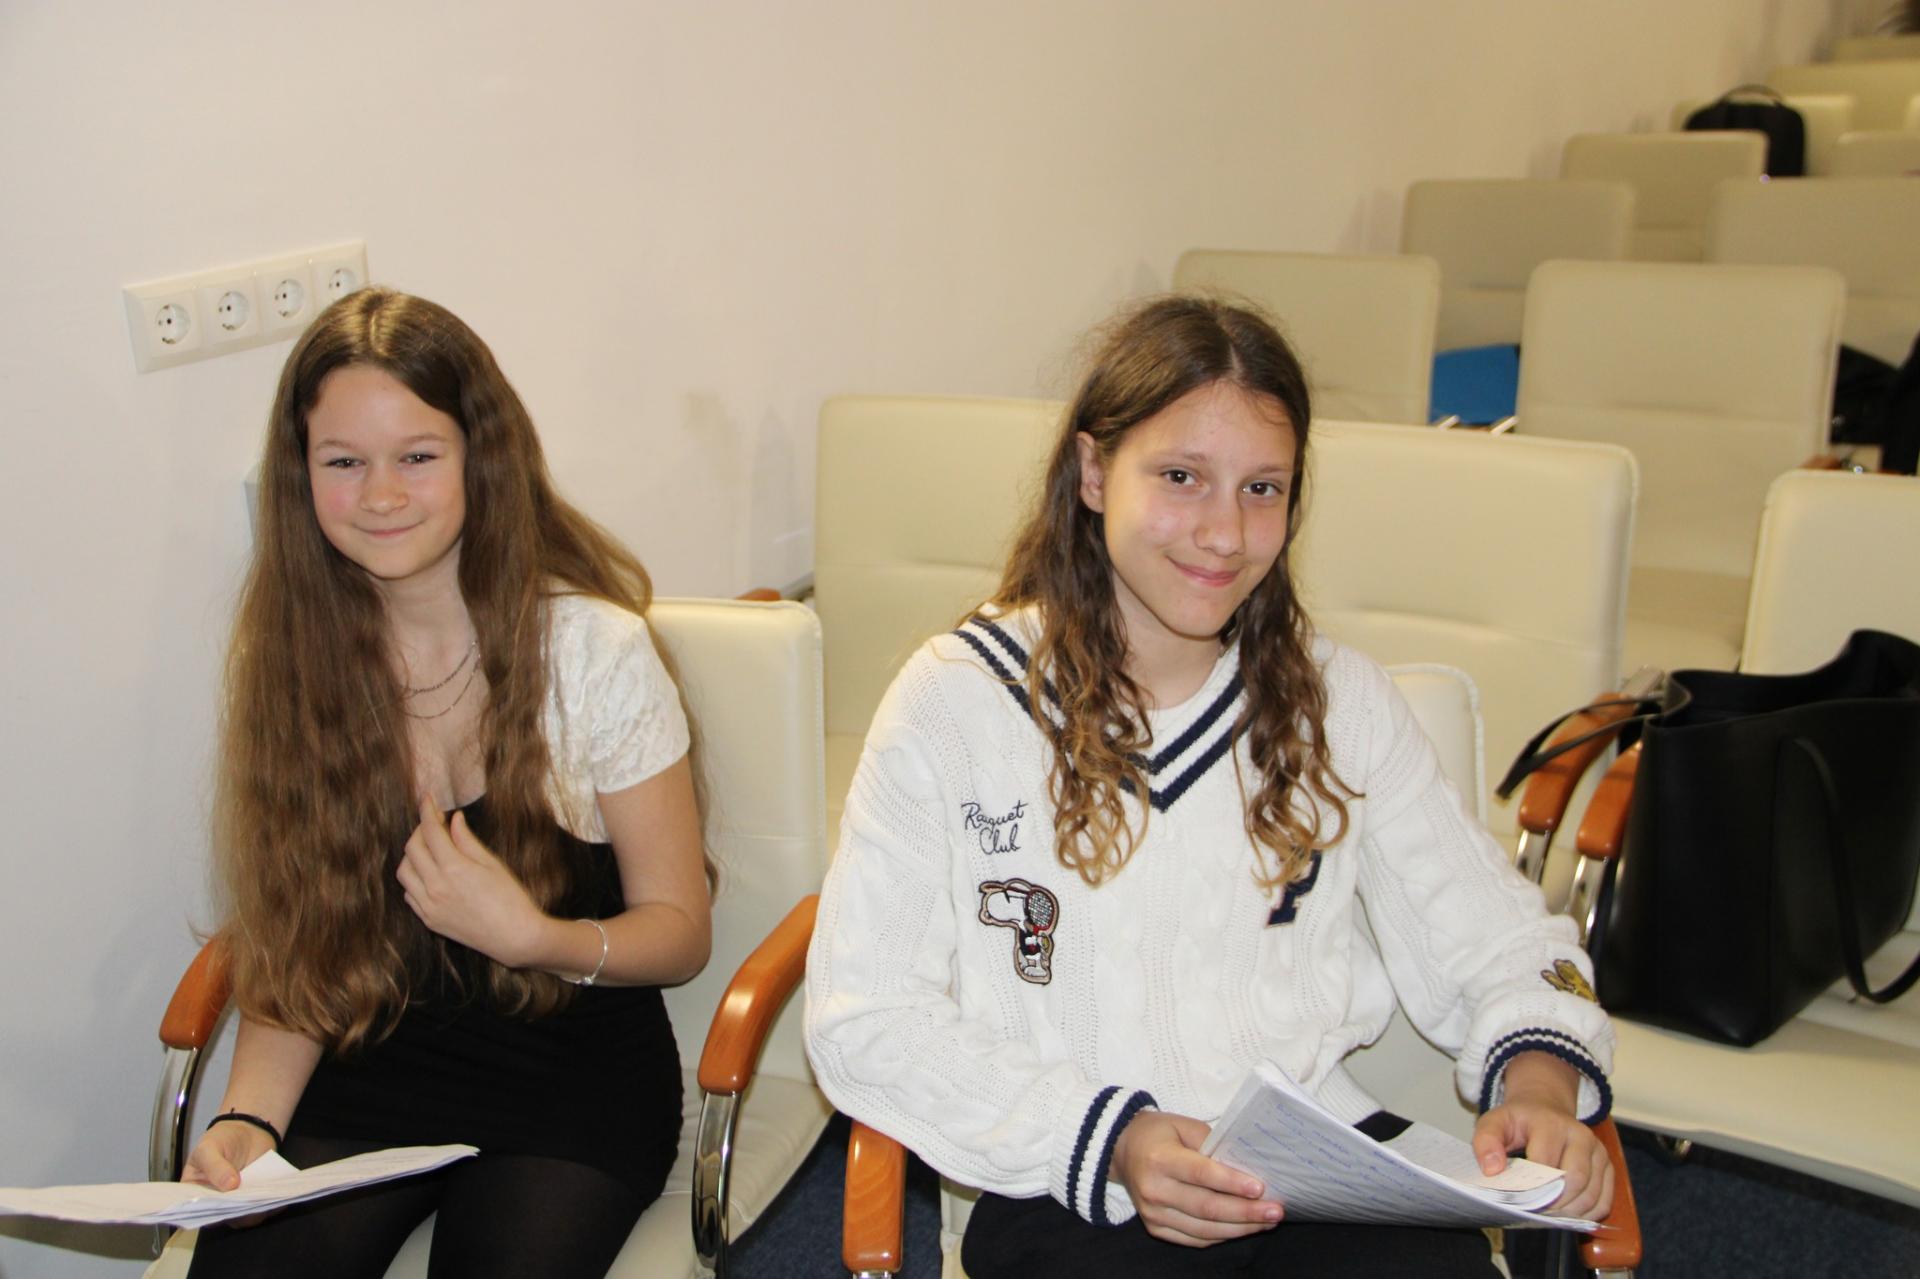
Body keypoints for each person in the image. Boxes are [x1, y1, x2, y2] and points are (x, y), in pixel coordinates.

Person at [804, 296, 1616, 1277]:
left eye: (1262, 488)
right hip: (1073, 1185)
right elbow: (864, 1014)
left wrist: (1540, 1081)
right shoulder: (956, 700)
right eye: (1181, 477)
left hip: (1318, 1175)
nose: (1226, 532)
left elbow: (1508, 940)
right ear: (1094, 472)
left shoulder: (1340, 704)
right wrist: (1112, 1137)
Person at [180, 287, 710, 1279]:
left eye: (417, 456)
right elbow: (300, 945)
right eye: (344, 462)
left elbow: (681, 931)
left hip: (569, 1080)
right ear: (301, 476)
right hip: (372, 1067)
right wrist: (249, 1119)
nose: (381, 495)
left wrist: (534, 936)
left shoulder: (593, 651)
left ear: (481, 458)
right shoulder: (293, 659)